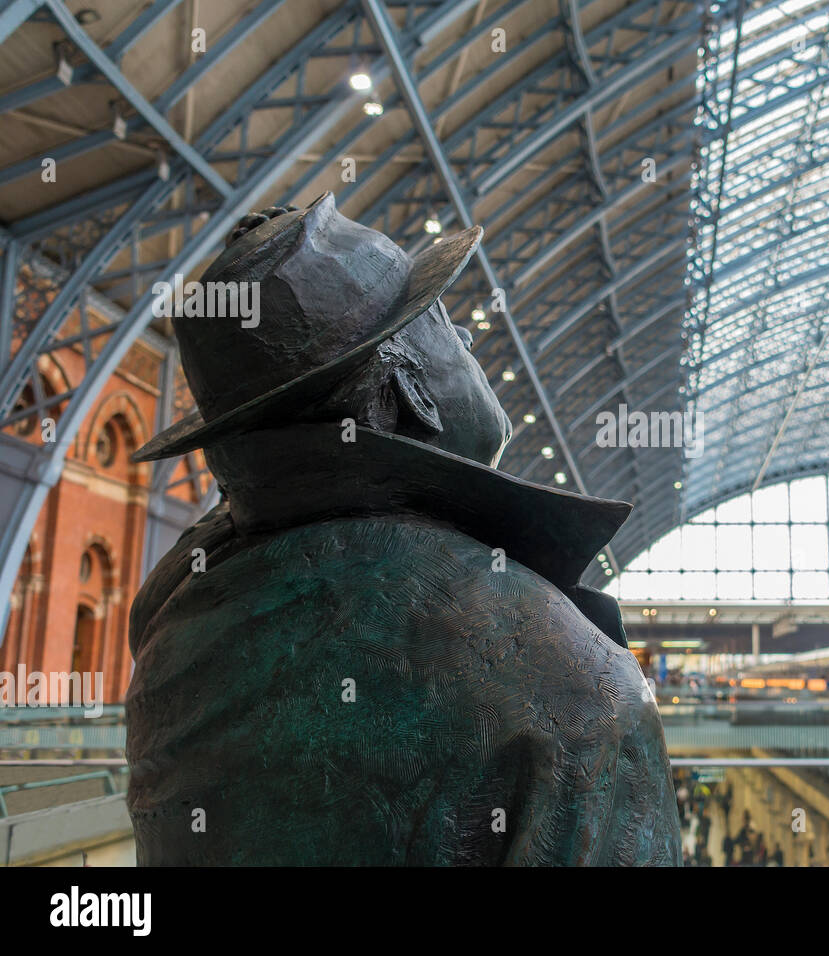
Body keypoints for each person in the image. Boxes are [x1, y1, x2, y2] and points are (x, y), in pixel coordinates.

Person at [125, 195, 681, 866]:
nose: (469, 338)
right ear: (404, 393)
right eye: (438, 319)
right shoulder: (578, 689)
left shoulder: (171, 622)